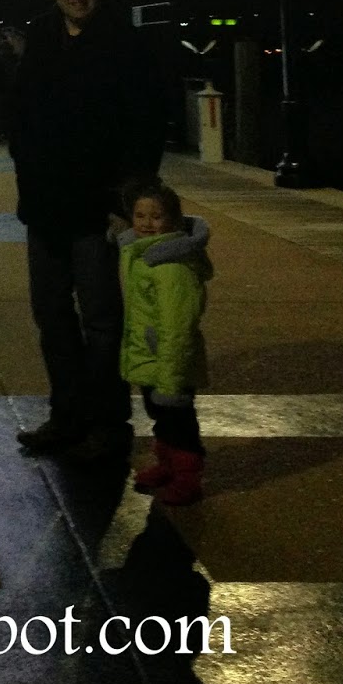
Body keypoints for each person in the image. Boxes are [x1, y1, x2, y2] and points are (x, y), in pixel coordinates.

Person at [10, 0, 165, 461]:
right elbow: (21, 112)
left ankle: (108, 421)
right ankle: (66, 414)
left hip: (97, 208)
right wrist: (25, 167)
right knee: (51, 315)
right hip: (44, 205)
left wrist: (127, 200)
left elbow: (145, 126)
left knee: (101, 319)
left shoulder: (125, 43)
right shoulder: (40, 36)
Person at [118, 180, 211, 505]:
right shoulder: (142, 254)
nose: (146, 223)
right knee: (162, 417)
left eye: (156, 216)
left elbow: (177, 329)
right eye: (140, 215)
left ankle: (187, 476)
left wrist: (171, 380)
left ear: (173, 219)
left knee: (179, 422)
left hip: (171, 361)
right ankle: (168, 465)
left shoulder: (171, 266)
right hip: (152, 356)